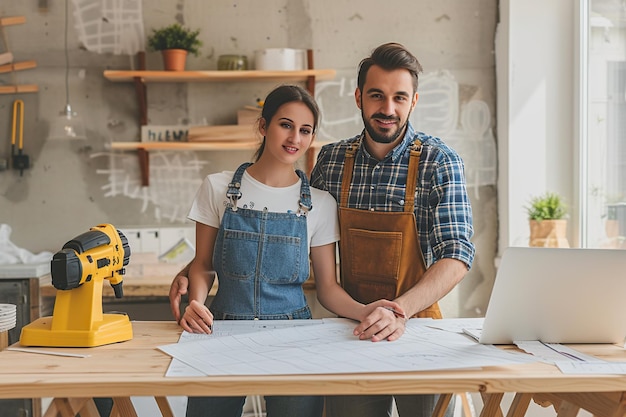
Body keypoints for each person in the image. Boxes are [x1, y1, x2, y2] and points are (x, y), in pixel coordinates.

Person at [176, 84, 404, 417]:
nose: (294, 137)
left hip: (295, 338)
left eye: (305, 130)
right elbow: (203, 265)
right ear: (263, 126)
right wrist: (196, 303)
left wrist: (364, 310)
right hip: (221, 330)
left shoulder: (320, 204)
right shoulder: (218, 188)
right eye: (285, 124)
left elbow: (328, 289)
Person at [309, 42, 476, 416]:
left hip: (419, 328)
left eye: (399, 97)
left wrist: (398, 311)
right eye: (377, 96)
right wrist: (199, 264)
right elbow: (293, 230)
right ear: (358, 97)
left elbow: (458, 253)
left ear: (413, 101)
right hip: (352, 329)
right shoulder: (332, 160)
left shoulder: (439, 161)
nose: (388, 109)